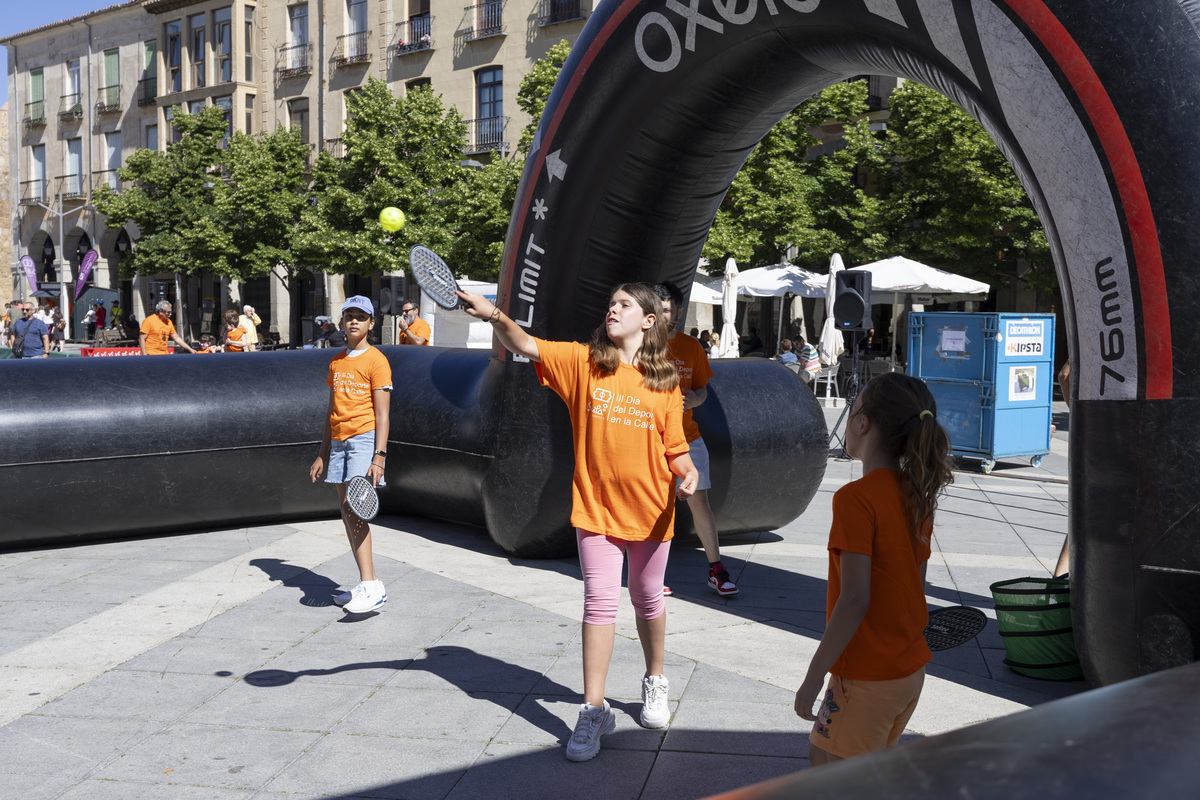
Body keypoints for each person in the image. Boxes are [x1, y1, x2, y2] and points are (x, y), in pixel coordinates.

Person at [457, 282, 698, 762]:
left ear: (649, 320)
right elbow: (525, 344)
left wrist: (687, 470)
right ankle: (593, 710)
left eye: (624, 305)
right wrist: (492, 314)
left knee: (647, 598)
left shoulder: (666, 380)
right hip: (596, 509)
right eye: (610, 304)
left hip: (652, 510)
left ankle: (654, 679)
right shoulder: (584, 362)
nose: (613, 310)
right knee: (598, 605)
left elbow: (675, 447)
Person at [795, 372, 954, 766]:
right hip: (907, 671)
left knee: (829, 769)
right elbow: (916, 584)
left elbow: (854, 598)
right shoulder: (915, 493)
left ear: (863, 423)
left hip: (866, 677)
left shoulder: (855, 499)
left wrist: (815, 676)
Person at [309, 296, 393, 615]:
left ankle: (371, 586)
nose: (354, 321)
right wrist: (322, 453)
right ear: (342, 323)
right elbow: (332, 410)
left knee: (355, 510)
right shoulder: (337, 361)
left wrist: (379, 456)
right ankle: (366, 583)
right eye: (349, 316)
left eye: (362, 316)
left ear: (372, 323)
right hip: (339, 443)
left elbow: (383, 415)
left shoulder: (377, 361)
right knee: (347, 511)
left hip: (363, 440)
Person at [654, 282, 739, 597]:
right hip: (650, 440)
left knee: (699, 502)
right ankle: (651, 575)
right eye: (656, 309)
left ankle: (716, 569)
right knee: (657, 505)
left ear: (677, 310)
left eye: (667, 309)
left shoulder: (692, 347)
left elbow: (703, 389)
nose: (662, 315)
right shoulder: (639, 345)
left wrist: (696, 399)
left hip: (688, 439)